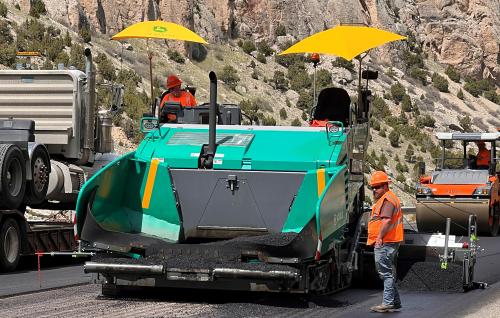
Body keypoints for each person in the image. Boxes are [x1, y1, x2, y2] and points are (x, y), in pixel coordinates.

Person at [367, 171, 403, 313]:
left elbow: (387, 221)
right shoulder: (387, 198)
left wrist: (380, 238)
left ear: (386, 186)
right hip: (389, 241)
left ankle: (387, 303)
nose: (374, 190)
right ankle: (395, 302)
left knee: (385, 273)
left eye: (377, 187)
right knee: (386, 272)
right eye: (373, 187)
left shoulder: (387, 200)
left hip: (386, 242)